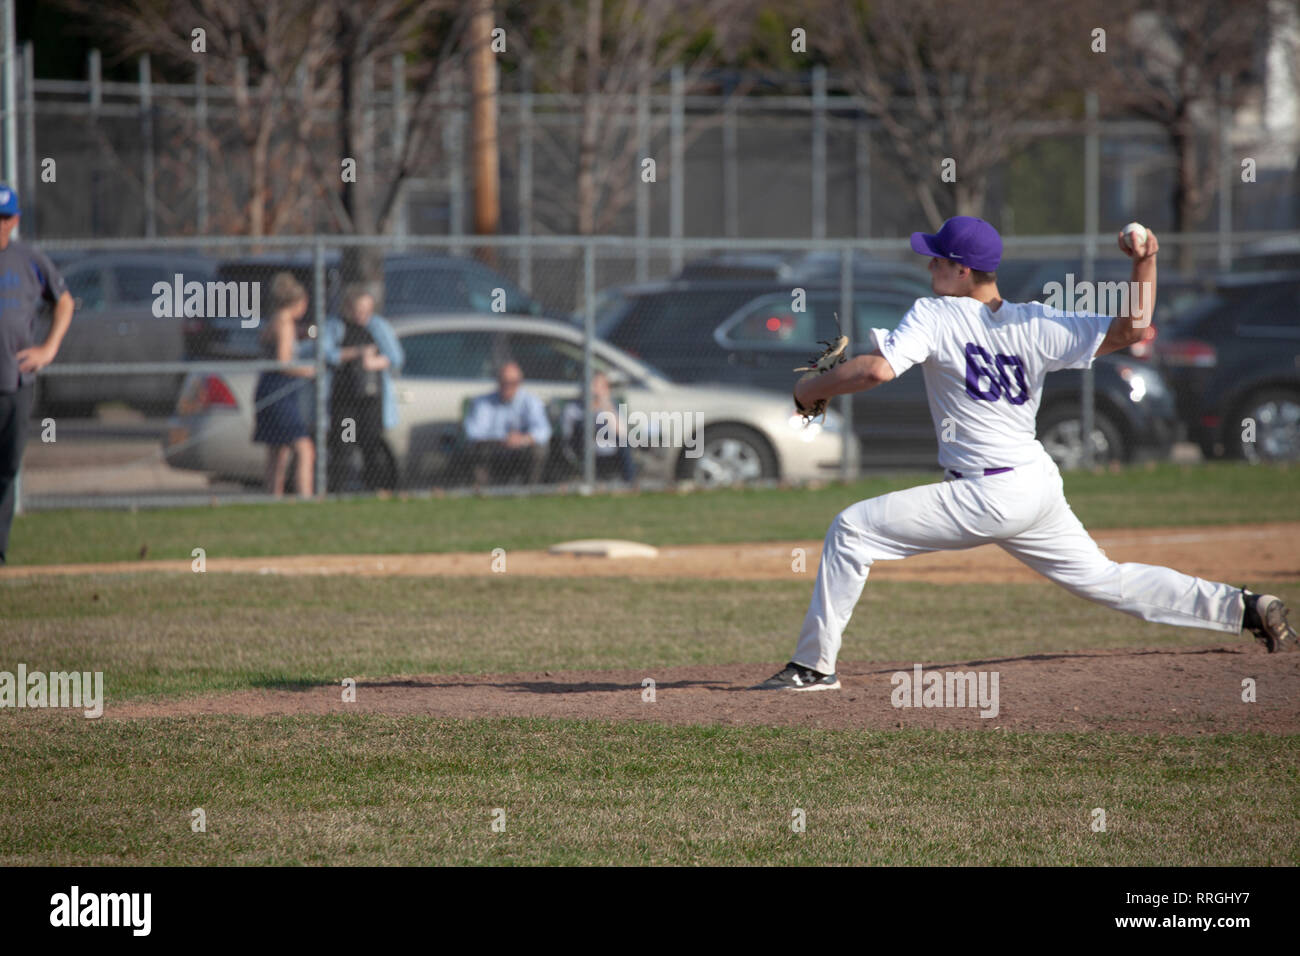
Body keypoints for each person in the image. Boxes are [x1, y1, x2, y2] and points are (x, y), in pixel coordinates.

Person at [755, 215, 1296, 691]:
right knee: (1106, 579)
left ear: (962, 271)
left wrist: (810, 390)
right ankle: (1245, 606)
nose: (928, 269)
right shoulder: (1034, 321)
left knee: (852, 529)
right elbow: (1135, 327)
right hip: (1035, 485)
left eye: (937, 261)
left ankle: (812, 668)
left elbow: (877, 370)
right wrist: (1146, 263)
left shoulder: (936, 312)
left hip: (986, 491)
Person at [0, 184, 74, 565]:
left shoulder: (29, 260)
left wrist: (48, 349)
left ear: (15, 220)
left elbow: (65, 301)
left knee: (7, 468)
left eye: (5, 218)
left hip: (15, 383)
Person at [323, 286, 403, 491]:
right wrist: (356, 353)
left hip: (370, 400)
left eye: (367, 311)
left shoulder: (378, 327)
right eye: (359, 311)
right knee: (344, 444)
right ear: (348, 308)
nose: (363, 316)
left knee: (371, 444)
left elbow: (395, 357)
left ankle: (374, 489)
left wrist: (373, 362)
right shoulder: (336, 326)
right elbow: (326, 354)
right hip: (346, 401)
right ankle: (337, 490)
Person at [252, 273, 315, 498]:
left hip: (270, 387)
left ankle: (273, 497)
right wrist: (309, 370)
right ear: (298, 302)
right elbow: (282, 361)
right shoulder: (285, 322)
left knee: (277, 450)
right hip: (278, 389)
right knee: (305, 448)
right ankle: (305, 497)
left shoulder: (273, 320)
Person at [463, 360, 551, 485]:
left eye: (513, 383)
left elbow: (543, 430)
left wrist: (522, 439)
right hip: (493, 447)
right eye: (504, 382)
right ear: (498, 381)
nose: (508, 386)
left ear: (520, 383)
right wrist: (503, 438)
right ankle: (482, 489)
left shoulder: (531, 401)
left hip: (522, 448)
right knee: (475, 448)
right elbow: (473, 431)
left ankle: (530, 489)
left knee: (540, 449)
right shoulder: (482, 402)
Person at [560, 371, 637, 482]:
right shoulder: (573, 408)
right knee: (583, 426)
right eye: (595, 385)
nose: (597, 389)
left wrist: (606, 405)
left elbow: (623, 433)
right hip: (582, 448)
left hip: (608, 449)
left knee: (623, 440)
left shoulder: (610, 406)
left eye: (603, 386)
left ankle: (630, 482)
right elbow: (567, 435)